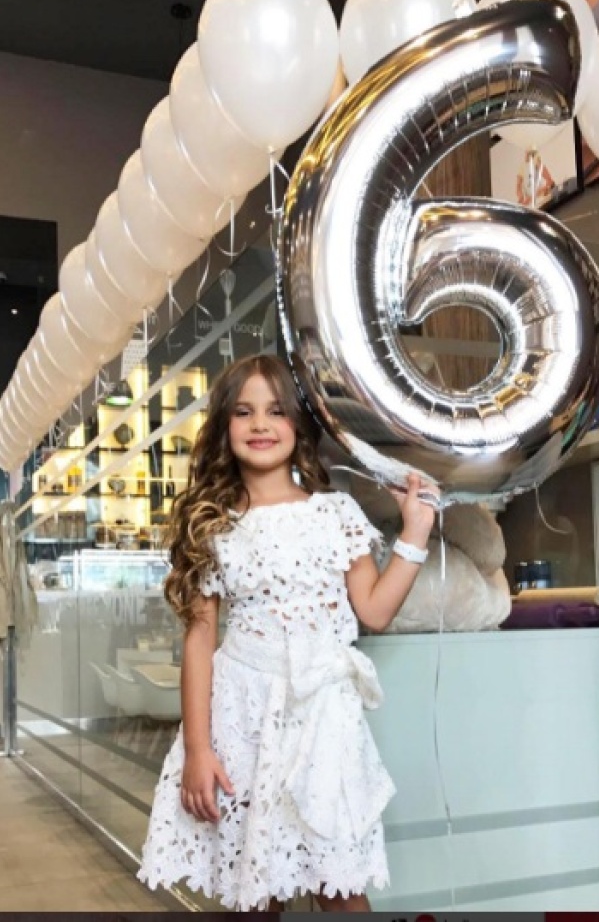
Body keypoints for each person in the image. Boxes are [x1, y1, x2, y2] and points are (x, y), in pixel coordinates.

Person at [137, 354, 436, 912]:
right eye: (243, 412)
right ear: (225, 426)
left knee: (340, 885)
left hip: (324, 718)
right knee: (254, 892)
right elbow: (199, 641)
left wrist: (414, 534)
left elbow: (374, 611)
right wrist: (198, 749)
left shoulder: (336, 514)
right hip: (243, 720)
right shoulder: (214, 524)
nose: (260, 424)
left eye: (276, 411)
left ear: (298, 424)